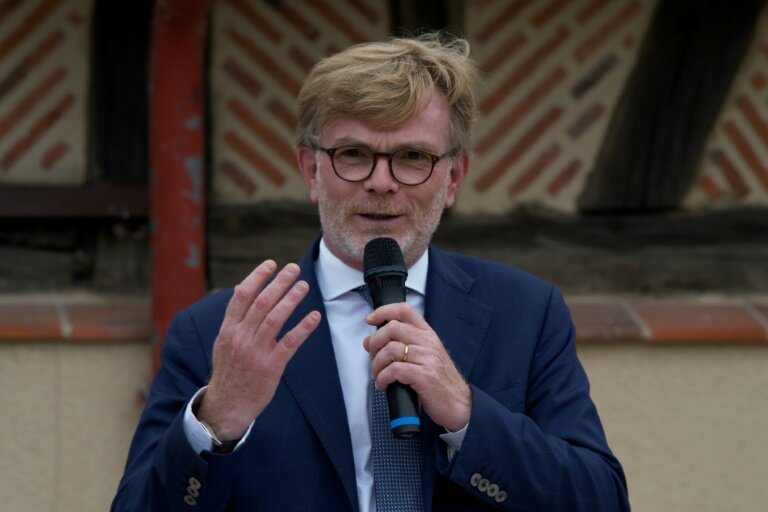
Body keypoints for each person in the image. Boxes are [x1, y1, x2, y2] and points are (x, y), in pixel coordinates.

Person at [112, 32, 630, 511]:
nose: (382, 183)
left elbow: (600, 499)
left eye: (411, 157)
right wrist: (216, 420)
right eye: (353, 155)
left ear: (453, 178)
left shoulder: (527, 313)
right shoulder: (214, 331)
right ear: (311, 171)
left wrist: (468, 413)